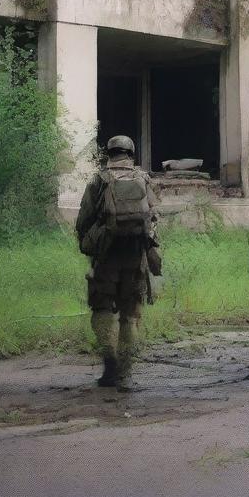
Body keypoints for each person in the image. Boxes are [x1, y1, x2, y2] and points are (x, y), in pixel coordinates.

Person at [75, 135, 162, 392]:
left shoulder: (99, 180)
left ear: (108, 153)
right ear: (131, 153)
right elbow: (154, 218)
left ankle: (109, 362)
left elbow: (83, 221)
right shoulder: (143, 179)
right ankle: (125, 373)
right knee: (130, 316)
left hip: (106, 257)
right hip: (135, 257)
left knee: (102, 309)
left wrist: (92, 241)